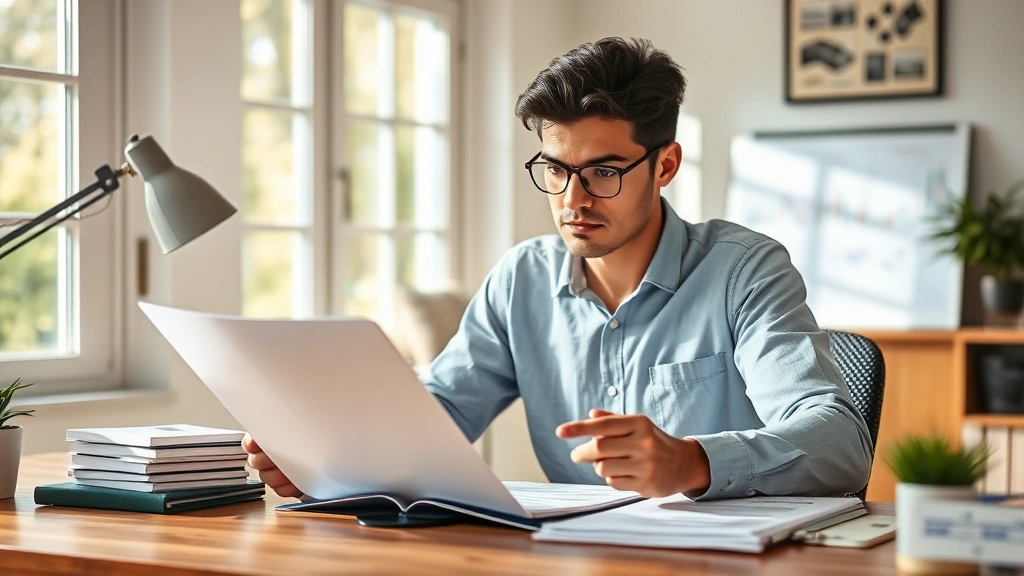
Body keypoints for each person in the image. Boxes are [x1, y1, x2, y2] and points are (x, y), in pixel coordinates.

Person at [244, 37, 873, 501]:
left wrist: (694, 462)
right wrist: (327, 461)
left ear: (666, 164)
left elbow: (840, 443)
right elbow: (433, 419)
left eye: (604, 171)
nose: (573, 199)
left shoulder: (745, 271)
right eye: (555, 169)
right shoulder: (522, 278)